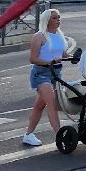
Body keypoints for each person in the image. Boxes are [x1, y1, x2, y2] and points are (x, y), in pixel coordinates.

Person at [23, 9, 68, 146]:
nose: (58, 20)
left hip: (56, 74)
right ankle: (60, 137)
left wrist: (75, 57)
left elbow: (63, 55)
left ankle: (28, 135)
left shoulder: (59, 35)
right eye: (54, 18)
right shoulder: (39, 36)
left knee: (39, 106)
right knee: (52, 103)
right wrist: (50, 62)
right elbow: (33, 59)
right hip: (41, 74)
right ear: (47, 20)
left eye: (59, 17)